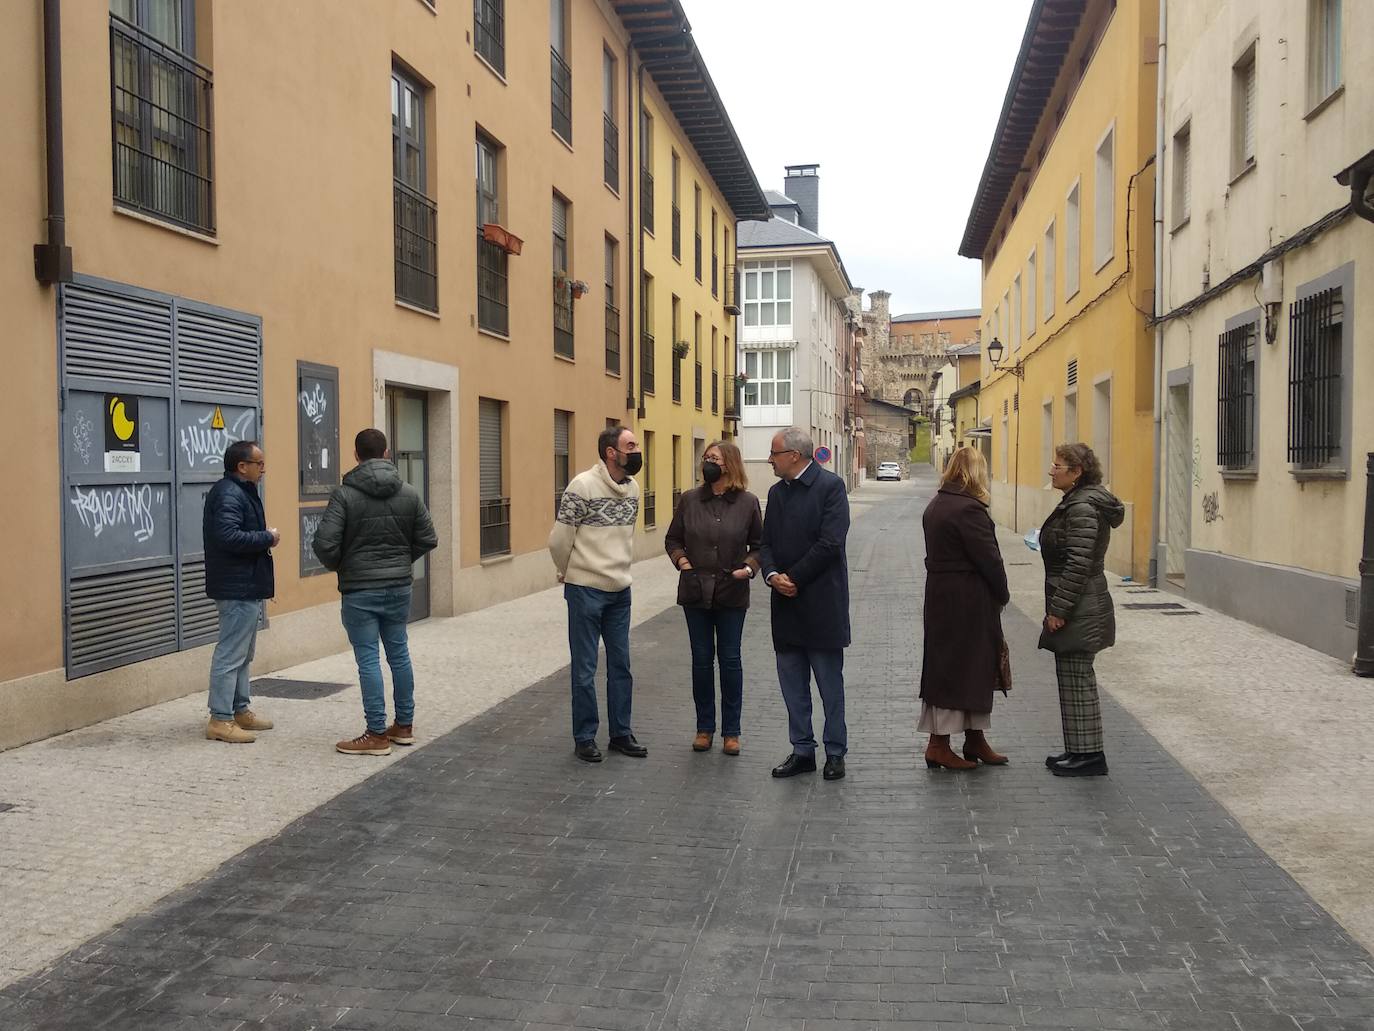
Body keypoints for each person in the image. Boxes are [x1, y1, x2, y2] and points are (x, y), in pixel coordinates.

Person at [312, 428, 438, 757]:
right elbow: (428, 537)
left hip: (359, 590)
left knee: (368, 659)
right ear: (386, 453)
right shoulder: (408, 492)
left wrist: (344, 565)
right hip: (398, 587)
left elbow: (325, 543)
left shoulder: (344, 494)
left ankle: (376, 733)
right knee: (399, 655)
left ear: (356, 455)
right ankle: (405, 727)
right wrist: (399, 561)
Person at [548, 425, 646, 763]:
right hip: (585, 589)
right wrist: (569, 571)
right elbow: (559, 539)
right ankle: (585, 737)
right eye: (630, 445)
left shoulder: (633, 488)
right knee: (585, 668)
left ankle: (621, 733)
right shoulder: (582, 486)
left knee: (622, 666)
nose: (636, 450)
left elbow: (627, 535)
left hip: (621, 590)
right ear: (610, 452)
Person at [758, 427, 851, 781]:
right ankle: (802, 750)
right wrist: (771, 576)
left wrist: (792, 578)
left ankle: (835, 752)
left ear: (794, 456)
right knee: (792, 686)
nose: (769, 460)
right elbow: (765, 543)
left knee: (830, 687)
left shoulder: (831, 488)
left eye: (774, 454)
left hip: (822, 606)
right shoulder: (776, 493)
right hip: (785, 607)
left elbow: (830, 544)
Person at [663, 441, 763, 756]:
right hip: (695, 591)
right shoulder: (689, 500)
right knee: (701, 662)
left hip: (731, 592)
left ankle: (731, 733)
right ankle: (704, 728)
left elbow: (760, 545)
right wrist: (683, 562)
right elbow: (673, 538)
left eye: (714, 458)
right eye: (706, 458)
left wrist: (748, 568)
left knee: (730, 661)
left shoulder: (748, 503)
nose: (708, 462)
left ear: (729, 465)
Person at [918, 447, 1011, 770]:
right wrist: (1002, 592)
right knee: (961, 668)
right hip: (967, 599)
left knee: (961, 667)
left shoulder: (938, 504)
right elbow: (989, 558)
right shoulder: (968, 510)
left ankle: (974, 738)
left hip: (943, 596)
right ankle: (938, 744)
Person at [1039, 442, 1125, 777]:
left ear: (1077, 472)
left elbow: (1078, 564)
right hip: (1079, 601)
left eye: (1057, 466)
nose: (1051, 470)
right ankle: (1079, 749)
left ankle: (1089, 755)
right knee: (1072, 677)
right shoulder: (1078, 502)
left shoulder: (1083, 507)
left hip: (1080, 604)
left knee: (1078, 676)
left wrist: (1058, 610)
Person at [203, 439, 278, 744]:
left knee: (243, 653)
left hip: (245, 584)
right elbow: (228, 537)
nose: (264, 469)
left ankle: (239, 710)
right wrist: (267, 537)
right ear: (242, 466)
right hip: (236, 586)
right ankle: (220, 719)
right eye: (259, 464)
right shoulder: (229, 494)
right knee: (231, 653)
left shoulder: (240, 491)